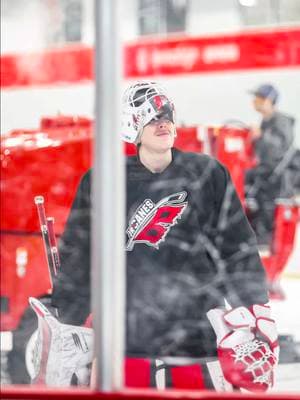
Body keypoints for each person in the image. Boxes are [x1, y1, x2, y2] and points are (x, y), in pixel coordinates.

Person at [49, 81, 278, 391]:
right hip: (128, 339)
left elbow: (237, 248)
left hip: (196, 339)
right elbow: (79, 255)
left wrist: (256, 309)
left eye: (167, 116)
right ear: (132, 126)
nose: (163, 123)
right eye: (153, 118)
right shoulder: (104, 180)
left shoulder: (207, 174)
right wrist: (69, 322)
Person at [246, 83, 296, 245]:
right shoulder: (266, 121)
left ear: (269, 101)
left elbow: (279, 149)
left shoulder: (281, 121)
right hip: (266, 177)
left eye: (259, 98)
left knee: (267, 210)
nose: (255, 101)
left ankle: (264, 242)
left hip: (277, 181)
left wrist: (260, 136)